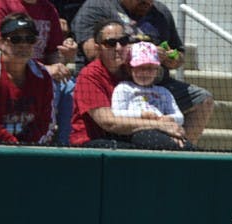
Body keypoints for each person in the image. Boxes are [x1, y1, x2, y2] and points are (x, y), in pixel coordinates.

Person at [71, 0, 212, 143]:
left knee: (203, 100)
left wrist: (170, 58)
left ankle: (181, 149)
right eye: (111, 43)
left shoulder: (160, 12)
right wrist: (144, 51)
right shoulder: (97, 7)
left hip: (152, 84)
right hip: (101, 127)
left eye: (124, 41)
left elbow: (179, 55)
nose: (148, 3)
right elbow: (91, 52)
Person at [0, 0, 76, 144]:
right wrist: (18, 150)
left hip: (25, 150)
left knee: (69, 86)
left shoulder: (48, 7)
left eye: (30, 39)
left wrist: (29, 149)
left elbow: (45, 126)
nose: (23, 44)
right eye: (16, 39)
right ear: (2, 42)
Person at [69, 18, 187, 149]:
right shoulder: (89, 76)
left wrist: (170, 127)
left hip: (130, 135)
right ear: (98, 49)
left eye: (123, 41)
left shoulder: (133, 68)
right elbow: (109, 123)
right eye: (110, 43)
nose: (118, 48)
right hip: (94, 141)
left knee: (176, 144)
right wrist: (160, 125)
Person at [110, 40, 182, 126]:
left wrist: (171, 118)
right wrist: (141, 115)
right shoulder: (124, 88)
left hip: (162, 128)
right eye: (140, 68)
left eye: (150, 68)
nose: (145, 73)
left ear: (157, 71)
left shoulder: (163, 92)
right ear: (130, 69)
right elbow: (116, 113)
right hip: (136, 130)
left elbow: (180, 117)